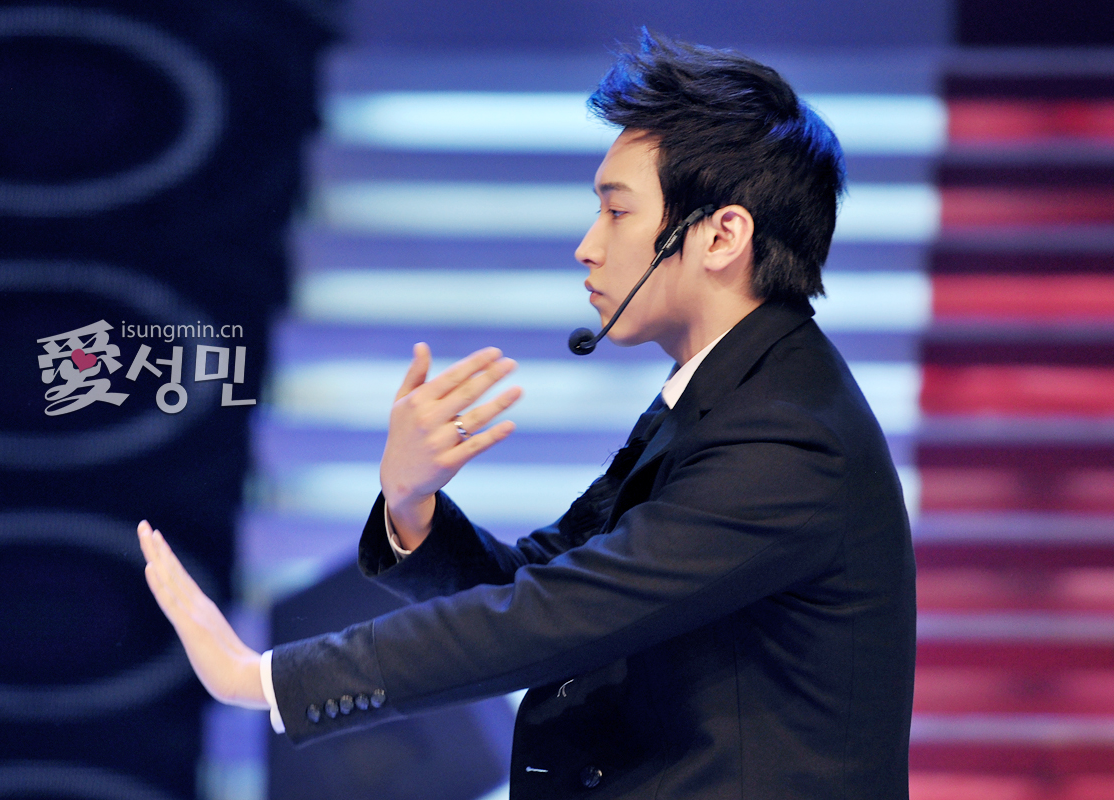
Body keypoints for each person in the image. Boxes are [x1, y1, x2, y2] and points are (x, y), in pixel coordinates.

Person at [139, 31, 916, 799]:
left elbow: (555, 616)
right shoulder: (733, 392)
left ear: (721, 236)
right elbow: (541, 582)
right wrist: (411, 505)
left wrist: (263, 679)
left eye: (616, 212)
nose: (587, 246)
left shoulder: (783, 435)